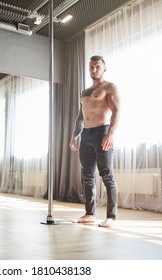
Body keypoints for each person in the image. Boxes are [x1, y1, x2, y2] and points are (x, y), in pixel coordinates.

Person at [69, 55, 120, 228]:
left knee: (106, 174)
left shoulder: (109, 87)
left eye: (97, 66)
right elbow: (81, 116)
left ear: (104, 68)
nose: (94, 69)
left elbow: (117, 111)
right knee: (87, 176)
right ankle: (90, 214)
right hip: (86, 135)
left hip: (102, 132)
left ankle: (111, 217)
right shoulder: (84, 92)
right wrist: (75, 135)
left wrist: (110, 134)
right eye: (91, 67)